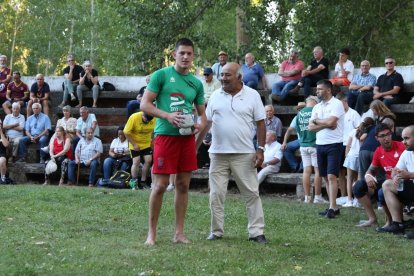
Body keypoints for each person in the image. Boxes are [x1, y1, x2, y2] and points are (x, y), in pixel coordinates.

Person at [140, 38, 206, 245]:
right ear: (174, 55)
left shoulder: (196, 83)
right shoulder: (161, 75)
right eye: (182, 53)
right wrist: (167, 116)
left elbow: (203, 116)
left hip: (186, 138)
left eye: (189, 53)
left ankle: (179, 233)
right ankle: (152, 234)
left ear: (193, 56)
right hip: (165, 137)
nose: (185, 57)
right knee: (159, 186)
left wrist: (198, 125)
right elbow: (145, 104)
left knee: (183, 185)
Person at [197, 62, 267, 244]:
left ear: (239, 77)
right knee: (216, 195)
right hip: (218, 154)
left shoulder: (252, 95)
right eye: (222, 75)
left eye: (228, 75)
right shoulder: (215, 96)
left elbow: (261, 123)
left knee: (251, 193)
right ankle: (216, 231)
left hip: (244, 154)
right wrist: (195, 147)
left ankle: (256, 232)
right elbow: (207, 123)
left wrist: (261, 149)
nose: (223, 78)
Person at [352, 122, 405, 228]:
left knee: (382, 190)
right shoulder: (378, 151)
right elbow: (370, 170)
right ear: (377, 138)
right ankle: (372, 219)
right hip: (388, 183)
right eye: (382, 136)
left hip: (403, 183)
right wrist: (368, 176)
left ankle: (392, 222)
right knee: (358, 186)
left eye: (388, 134)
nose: (386, 138)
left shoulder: (402, 147)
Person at [309, 80, 345, 219]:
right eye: (316, 89)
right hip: (320, 144)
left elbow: (332, 122)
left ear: (328, 90)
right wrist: (325, 124)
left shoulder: (337, 104)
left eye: (319, 89)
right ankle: (334, 207)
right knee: (324, 175)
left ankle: (331, 207)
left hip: (334, 144)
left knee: (331, 176)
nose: (316, 91)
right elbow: (311, 127)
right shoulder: (317, 107)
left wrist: (319, 121)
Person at [382, 125, 414, 236]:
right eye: (403, 138)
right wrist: (396, 175)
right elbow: (395, 170)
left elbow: (408, 175)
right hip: (412, 187)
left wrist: (409, 175)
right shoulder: (407, 152)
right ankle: (397, 224)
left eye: (407, 138)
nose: (403, 142)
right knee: (387, 185)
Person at [295, 96, 325, 203]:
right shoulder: (315, 111)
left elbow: (297, 129)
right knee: (317, 171)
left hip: (303, 145)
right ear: (316, 102)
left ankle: (307, 197)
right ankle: (317, 197)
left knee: (306, 171)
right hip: (315, 144)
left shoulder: (299, 113)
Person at [342, 117, 375, 207]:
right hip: (361, 156)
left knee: (349, 178)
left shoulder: (353, 131)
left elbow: (348, 145)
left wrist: (346, 156)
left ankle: (349, 200)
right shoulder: (368, 133)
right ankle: (357, 200)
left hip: (351, 156)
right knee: (359, 179)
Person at [336, 93, 361, 205]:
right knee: (341, 173)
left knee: (353, 173)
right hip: (338, 144)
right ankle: (344, 196)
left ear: (345, 102)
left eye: (341, 104)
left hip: (350, 146)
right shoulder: (336, 114)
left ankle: (356, 197)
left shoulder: (354, 114)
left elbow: (360, 129)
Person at [124, 111, 155, 189]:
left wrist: (152, 141)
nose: (147, 122)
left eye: (149, 121)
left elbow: (155, 130)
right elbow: (126, 132)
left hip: (146, 143)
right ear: (143, 115)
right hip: (134, 142)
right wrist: (134, 144)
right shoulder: (134, 117)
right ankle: (134, 181)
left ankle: (143, 181)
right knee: (136, 161)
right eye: (146, 120)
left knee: (148, 160)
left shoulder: (154, 118)